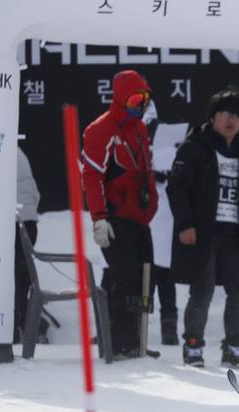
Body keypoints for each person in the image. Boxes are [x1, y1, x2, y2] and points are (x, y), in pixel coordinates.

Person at [168, 88, 239, 369]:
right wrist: (185, 224)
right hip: (204, 232)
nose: (231, 121)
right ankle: (193, 346)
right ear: (213, 117)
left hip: (236, 235)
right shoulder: (195, 146)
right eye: (226, 114)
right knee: (202, 291)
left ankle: (233, 348)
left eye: (237, 116)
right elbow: (177, 187)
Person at [81, 69, 158, 358]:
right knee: (122, 278)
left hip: (139, 219)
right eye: (136, 99)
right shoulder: (100, 129)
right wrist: (99, 218)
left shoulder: (138, 129)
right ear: (122, 98)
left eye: (146, 98)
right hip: (115, 218)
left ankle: (135, 341)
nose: (142, 104)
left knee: (145, 279)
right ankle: (115, 341)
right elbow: (91, 176)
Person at [143, 100, 180, 345]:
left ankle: (169, 327)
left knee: (164, 274)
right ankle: (137, 326)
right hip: (142, 216)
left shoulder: (171, 145)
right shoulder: (127, 140)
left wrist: (167, 175)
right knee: (143, 275)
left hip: (166, 216)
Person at [14, 147, 41, 344]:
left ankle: (14, 335)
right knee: (21, 283)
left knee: (13, 284)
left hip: (17, 225)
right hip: (28, 224)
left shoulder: (0, 150)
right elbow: (36, 195)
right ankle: (21, 330)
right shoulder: (18, 152)